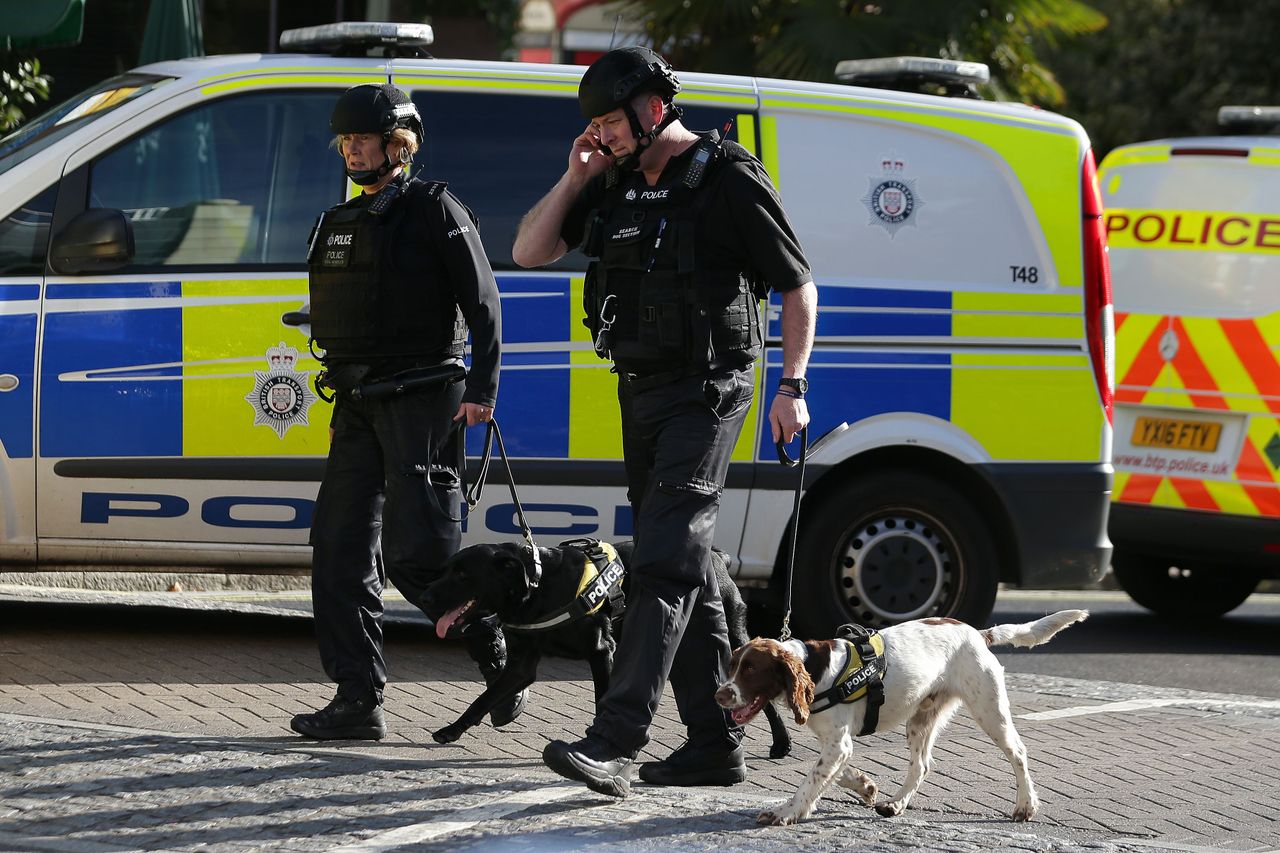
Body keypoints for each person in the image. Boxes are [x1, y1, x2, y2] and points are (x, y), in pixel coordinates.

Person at [512, 47, 816, 795]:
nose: (605, 135)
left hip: (711, 390)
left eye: (612, 122)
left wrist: (792, 385)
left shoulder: (727, 177)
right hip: (642, 391)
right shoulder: (610, 182)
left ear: (653, 108)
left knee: (661, 563)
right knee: (694, 572)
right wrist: (577, 173)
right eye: (596, 125)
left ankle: (614, 739)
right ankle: (714, 745)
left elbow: (799, 287)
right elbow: (528, 250)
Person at [291, 83, 524, 740]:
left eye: (362, 138)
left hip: (424, 399)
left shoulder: (435, 208)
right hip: (359, 402)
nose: (351, 149)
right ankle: (357, 698)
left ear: (399, 145)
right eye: (345, 140)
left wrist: (484, 389)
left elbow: (484, 305)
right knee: (337, 551)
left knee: (417, 558)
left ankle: (495, 652)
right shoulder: (341, 219)